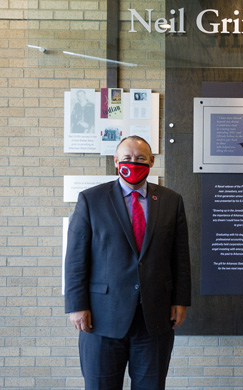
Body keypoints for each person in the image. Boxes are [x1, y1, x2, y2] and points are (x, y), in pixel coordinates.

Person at [65, 135, 191, 390]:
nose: (133, 163)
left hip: (154, 319)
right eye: (127, 158)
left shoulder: (171, 201)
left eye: (140, 158)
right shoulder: (91, 200)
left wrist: (180, 300)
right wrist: (76, 305)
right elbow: (76, 258)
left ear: (152, 161)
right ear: (115, 161)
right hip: (101, 319)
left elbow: (180, 256)